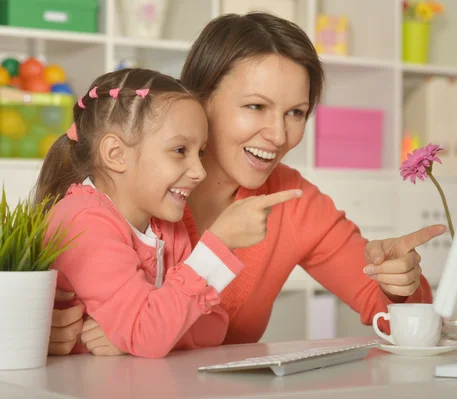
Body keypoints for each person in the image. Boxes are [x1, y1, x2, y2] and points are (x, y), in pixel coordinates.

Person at [48, 12, 445, 356]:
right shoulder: (145, 198)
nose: (278, 134)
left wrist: (400, 286)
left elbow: (403, 321)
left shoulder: (294, 201)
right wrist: (32, 328)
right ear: (200, 99)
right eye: (256, 106)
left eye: (296, 113)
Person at [37, 68, 302, 358]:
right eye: (179, 150)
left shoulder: (164, 227)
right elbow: (148, 334)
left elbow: (214, 326)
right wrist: (217, 247)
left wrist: (141, 336)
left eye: (199, 152)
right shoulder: (84, 222)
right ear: (115, 154)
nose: (199, 171)